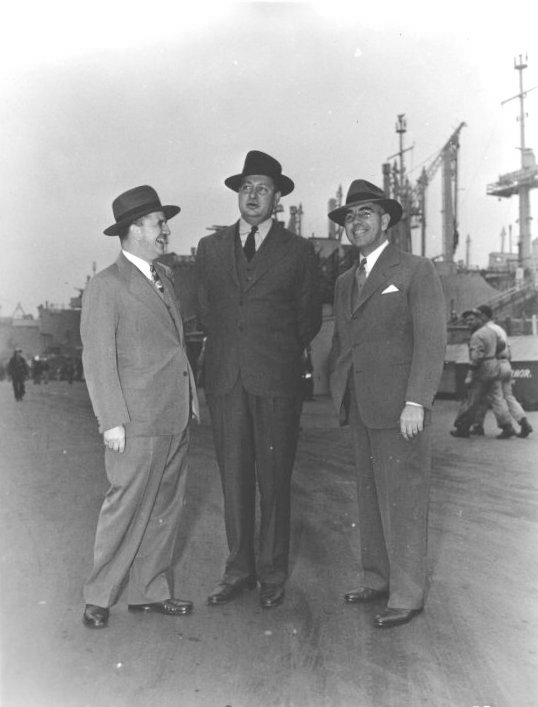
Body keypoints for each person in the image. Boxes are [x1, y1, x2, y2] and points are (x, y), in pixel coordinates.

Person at [196, 150, 321, 609]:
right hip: (226, 380)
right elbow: (207, 310)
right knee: (234, 480)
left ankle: (271, 573)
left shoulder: (299, 251)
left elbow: (308, 318)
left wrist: (273, 351)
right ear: (237, 194)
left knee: (274, 479)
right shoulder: (209, 249)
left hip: (276, 381)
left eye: (262, 188)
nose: (253, 195)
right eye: (246, 187)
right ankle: (238, 570)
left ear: (278, 198)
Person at [328, 179, 446, 629]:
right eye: (349, 216)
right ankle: (377, 579)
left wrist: (417, 400)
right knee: (370, 496)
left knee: (404, 497)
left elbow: (431, 340)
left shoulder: (415, 270)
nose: (356, 222)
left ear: (387, 221)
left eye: (365, 214)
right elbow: (344, 340)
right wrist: (341, 389)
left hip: (401, 407)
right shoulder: (344, 281)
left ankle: (407, 593)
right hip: (361, 404)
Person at [80, 185, 199, 629]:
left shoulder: (165, 278)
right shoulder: (106, 285)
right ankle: (98, 595)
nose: (166, 230)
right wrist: (111, 420)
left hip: (173, 413)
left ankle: (150, 591)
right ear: (135, 229)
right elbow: (97, 358)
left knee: (166, 507)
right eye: (158, 222)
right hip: (135, 419)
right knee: (125, 506)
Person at [450, 309, 516, 439]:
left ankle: (463, 428)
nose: (468, 323)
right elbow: (502, 344)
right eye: (467, 320)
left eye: (471, 320)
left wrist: (470, 375)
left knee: (471, 399)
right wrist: (493, 355)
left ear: (479, 319)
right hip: (494, 366)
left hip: (482, 369)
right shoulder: (491, 331)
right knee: (497, 398)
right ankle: (507, 426)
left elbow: (476, 357)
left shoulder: (477, 336)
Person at [470, 304, 532, 438]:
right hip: (506, 363)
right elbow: (507, 347)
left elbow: (496, 347)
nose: (477, 318)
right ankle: (524, 422)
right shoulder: (499, 328)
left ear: (485, 316)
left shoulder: (486, 330)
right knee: (508, 396)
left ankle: (506, 427)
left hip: (495, 364)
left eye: (479, 315)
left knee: (496, 397)